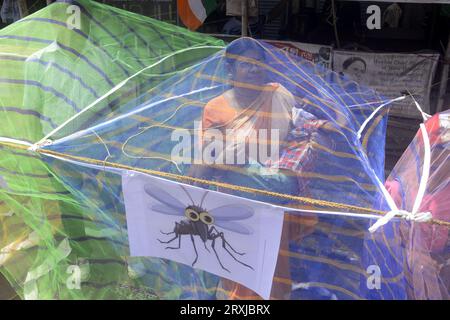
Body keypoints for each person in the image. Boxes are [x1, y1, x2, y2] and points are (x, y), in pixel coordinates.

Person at [188, 38, 340, 299]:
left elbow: (313, 122)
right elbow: (211, 156)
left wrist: (326, 125)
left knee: (272, 263)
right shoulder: (215, 107)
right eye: (247, 64)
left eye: (259, 63)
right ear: (230, 70)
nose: (255, 69)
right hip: (235, 198)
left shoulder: (279, 95)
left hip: (270, 195)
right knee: (234, 258)